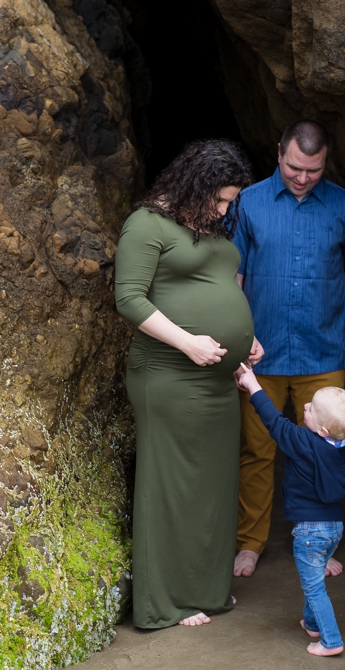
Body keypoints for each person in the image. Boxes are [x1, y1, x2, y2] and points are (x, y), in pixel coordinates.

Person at [114, 139, 259, 628]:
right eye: (219, 199)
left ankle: (206, 590)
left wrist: (248, 339)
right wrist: (189, 344)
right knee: (172, 485)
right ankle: (165, 602)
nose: (224, 210)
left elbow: (222, 290)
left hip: (217, 381)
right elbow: (130, 300)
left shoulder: (208, 229)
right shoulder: (147, 224)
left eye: (230, 202)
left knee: (212, 486)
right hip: (169, 374)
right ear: (194, 186)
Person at [231, 119, 345, 578]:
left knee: (324, 453)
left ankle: (320, 541)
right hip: (262, 354)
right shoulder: (248, 203)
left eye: (312, 171)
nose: (301, 177)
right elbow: (231, 274)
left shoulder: (344, 207)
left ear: (325, 162)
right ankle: (250, 543)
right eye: (295, 167)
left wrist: (329, 299)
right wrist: (241, 327)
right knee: (258, 451)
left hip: (322, 354)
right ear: (279, 153)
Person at [234, 363, 345, 656]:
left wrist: (253, 385)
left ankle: (331, 641)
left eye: (311, 409)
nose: (305, 406)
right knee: (315, 578)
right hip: (334, 527)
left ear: (322, 429)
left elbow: (273, 421)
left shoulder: (304, 442)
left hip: (309, 530)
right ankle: (311, 623)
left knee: (314, 588)